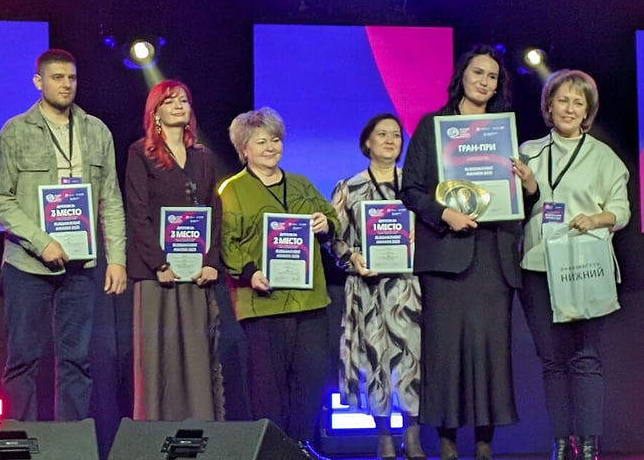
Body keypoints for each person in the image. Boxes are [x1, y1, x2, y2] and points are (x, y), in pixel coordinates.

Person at [0, 48, 127, 421]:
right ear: (39, 82)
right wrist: (42, 242)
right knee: (23, 359)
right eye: (57, 77)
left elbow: (111, 200)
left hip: (80, 265)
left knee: (76, 360)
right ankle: (19, 440)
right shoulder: (16, 131)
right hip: (27, 265)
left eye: (72, 78)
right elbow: (1, 200)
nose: (66, 85)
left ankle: (72, 443)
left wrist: (117, 259)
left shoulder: (96, 130)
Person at [401, 45, 521, 460]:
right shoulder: (433, 126)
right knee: (445, 355)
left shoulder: (503, 132)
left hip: (493, 258)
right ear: (462, 77)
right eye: (478, 72)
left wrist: (528, 186)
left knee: (490, 355)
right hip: (446, 257)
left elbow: (516, 199)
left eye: (492, 76)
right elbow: (411, 189)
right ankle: (447, 444)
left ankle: (485, 446)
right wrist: (445, 214)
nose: (484, 81)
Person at [511, 70, 630, 460]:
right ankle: (562, 444)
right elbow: (516, 205)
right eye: (562, 100)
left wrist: (595, 219)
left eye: (578, 102)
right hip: (538, 265)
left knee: (586, 358)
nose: (570, 108)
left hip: (584, 265)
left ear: (587, 111)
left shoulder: (603, 156)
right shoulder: (528, 152)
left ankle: (590, 444)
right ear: (549, 105)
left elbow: (621, 211)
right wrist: (529, 187)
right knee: (552, 360)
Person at [218, 107, 339, 454]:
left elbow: (331, 217)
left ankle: (300, 444)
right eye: (262, 142)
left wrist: (326, 224)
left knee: (311, 377)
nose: (271, 147)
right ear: (244, 149)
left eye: (275, 140)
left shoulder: (301, 183)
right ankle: (272, 449)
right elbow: (226, 242)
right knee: (268, 385)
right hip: (264, 303)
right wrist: (250, 273)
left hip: (309, 300)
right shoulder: (232, 190)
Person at [125, 79, 224, 421]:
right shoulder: (140, 153)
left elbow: (214, 211)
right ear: (155, 113)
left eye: (184, 100)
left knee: (196, 356)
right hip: (156, 274)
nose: (180, 105)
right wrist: (159, 263)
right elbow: (138, 212)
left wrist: (211, 261)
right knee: (157, 358)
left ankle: (201, 428)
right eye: (170, 101)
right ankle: (154, 432)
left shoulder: (203, 156)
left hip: (196, 272)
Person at [330, 113, 426, 460]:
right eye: (382, 134)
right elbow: (335, 239)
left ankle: (412, 437)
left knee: (412, 361)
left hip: (407, 288)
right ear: (367, 142)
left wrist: (420, 239)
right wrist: (353, 258)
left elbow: (432, 229)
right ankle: (384, 437)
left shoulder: (416, 186)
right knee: (374, 363)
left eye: (396, 135)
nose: (390, 140)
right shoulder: (348, 188)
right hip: (367, 291)